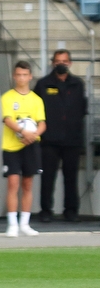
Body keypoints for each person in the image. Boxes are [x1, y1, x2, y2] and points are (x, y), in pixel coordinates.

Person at [34, 49, 88, 222]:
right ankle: (46, 211)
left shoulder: (78, 84)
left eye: (64, 61)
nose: (61, 64)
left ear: (70, 63)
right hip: (49, 140)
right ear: (52, 63)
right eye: (58, 61)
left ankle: (71, 211)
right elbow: (35, 110)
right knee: (48, 177)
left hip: (72, 139)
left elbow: (82, 110)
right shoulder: (43, 84)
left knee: (71, 178)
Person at [1, 60, 46, 237]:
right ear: (14, 76)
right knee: (13, 183)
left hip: (31, 145)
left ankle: (24, 224)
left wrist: (33, 135)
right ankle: (12, 223)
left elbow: (42, 123)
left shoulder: (36, 99)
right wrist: (22, 131)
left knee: (28, 184)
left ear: (30, 76)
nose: (21, 78)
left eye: (24, 75)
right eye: (18, 75)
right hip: (12, 146)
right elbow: (8, 119)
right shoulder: (7, 97)